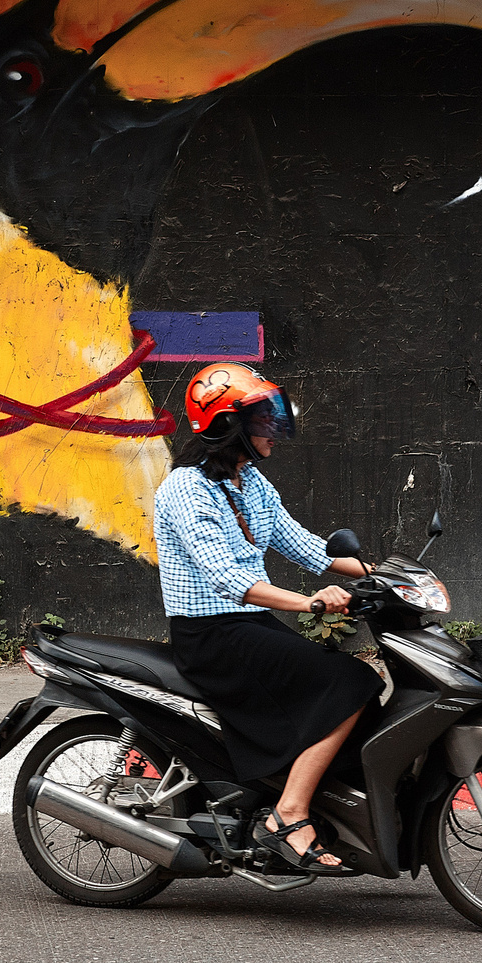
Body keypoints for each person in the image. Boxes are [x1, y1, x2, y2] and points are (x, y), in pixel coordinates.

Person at [152, 363, 381, 873]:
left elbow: (308, 548)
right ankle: (288, 815)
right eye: (260, 418)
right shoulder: (185, 490)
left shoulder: (251, 484)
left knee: (334, 683)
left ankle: (308, 800)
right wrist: (311, 603)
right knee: (350, 681)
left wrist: (386, 573)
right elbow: (228, 578)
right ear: (227, 425)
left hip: (249, 627)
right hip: (211, 634)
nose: (272, 428)